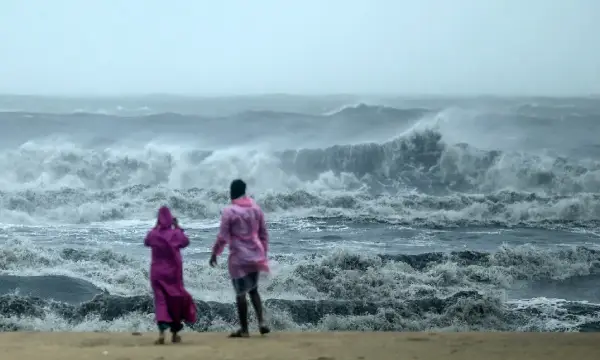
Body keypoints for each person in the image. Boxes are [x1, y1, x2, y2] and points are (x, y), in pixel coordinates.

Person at [210, 179, 271, 337]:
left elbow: (223, 237)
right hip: (255, 255)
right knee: (254, 290)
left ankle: (244, 330)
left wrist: (215, 253)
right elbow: (263, 233)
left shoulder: (229, 211)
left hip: (238, 258)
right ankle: (262, 322)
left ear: (232, 192)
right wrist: (263, 253)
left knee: (241, 293)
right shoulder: (256, 209)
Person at [145, 206, 197, 345]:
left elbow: (146, 241)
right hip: (173, 274)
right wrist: (177, 226)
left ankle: (162, 333)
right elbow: (186, 242)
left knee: (160, 301)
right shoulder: (175, 234)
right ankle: (174, 334)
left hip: (157, 273)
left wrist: (157, 226)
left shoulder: (154, 234)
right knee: (175, 301)